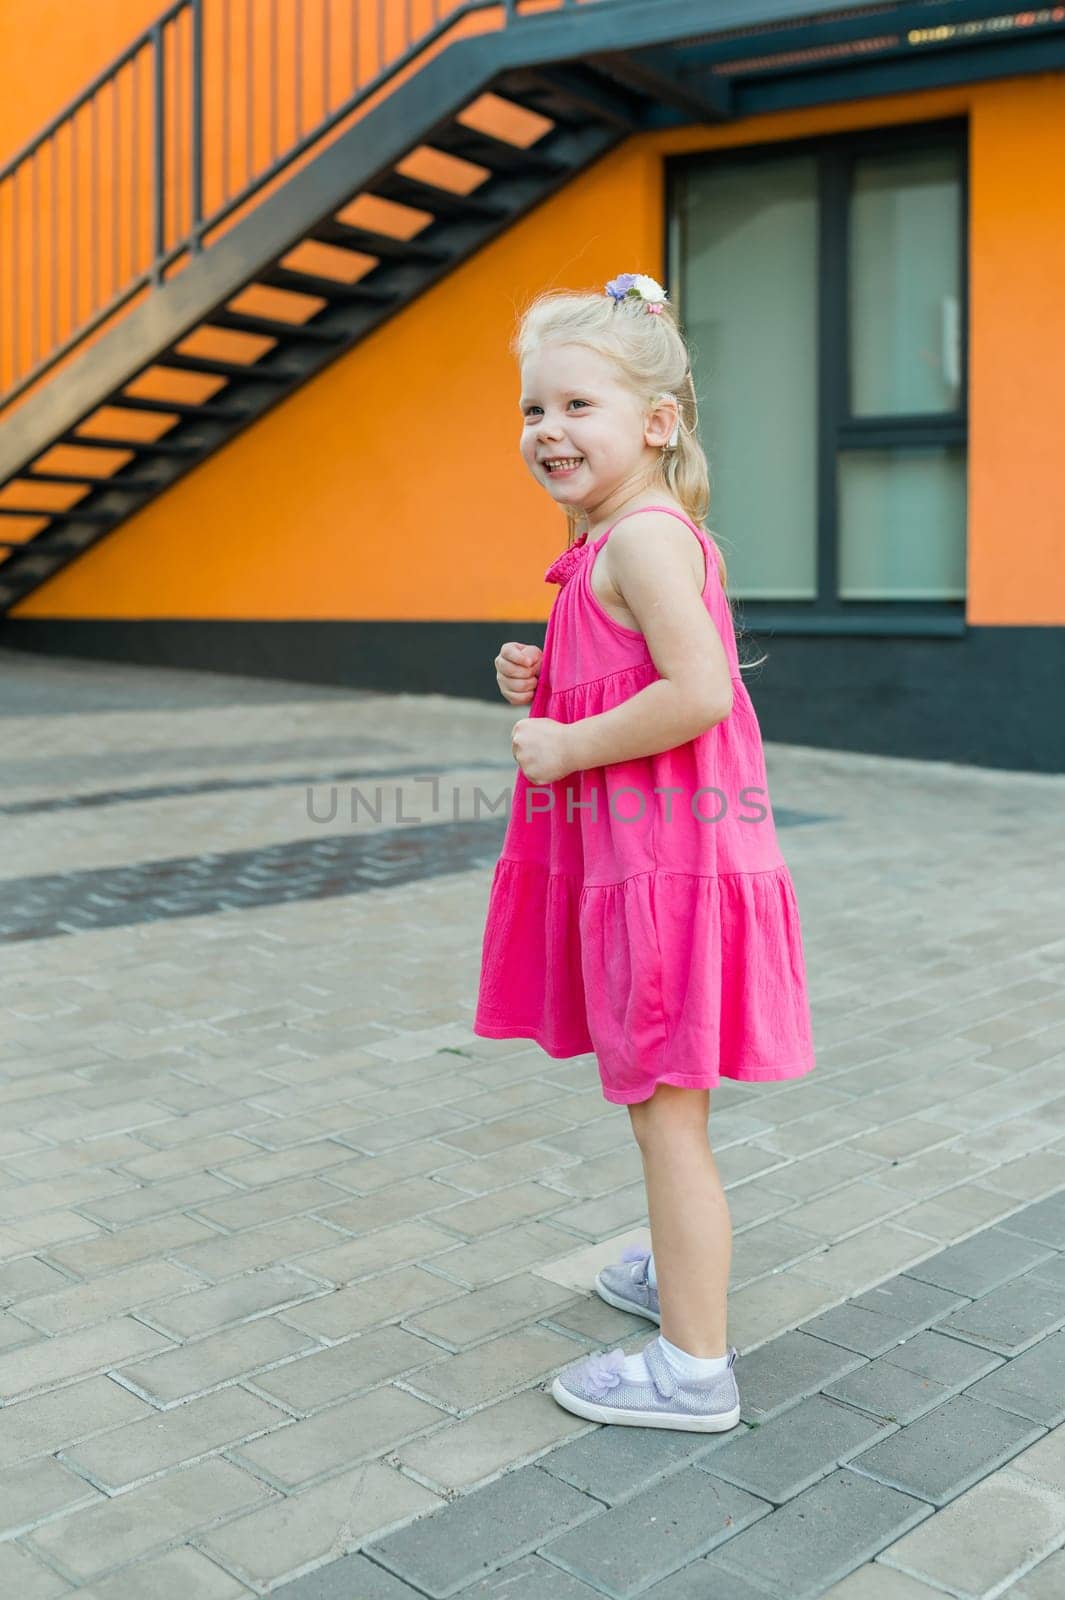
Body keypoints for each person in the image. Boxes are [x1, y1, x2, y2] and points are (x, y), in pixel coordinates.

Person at [472, 271, 816, 1432]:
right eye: (533, 410)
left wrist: (566, 743)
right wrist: (548, 672)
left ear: (656, 423)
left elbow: (700, 692)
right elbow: (641, 665)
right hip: (653, 865)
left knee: (668, 1114)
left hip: (661, 874)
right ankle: (680, 1275)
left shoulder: (647, 541)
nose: (547, 431)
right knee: (663, 1104)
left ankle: (692, 1368)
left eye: (578, 406)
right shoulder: (617, 542)